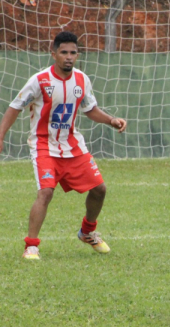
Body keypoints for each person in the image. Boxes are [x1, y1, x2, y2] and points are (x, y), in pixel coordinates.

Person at [0, 31, 127, 260]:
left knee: (100, 189)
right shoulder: (40, 80)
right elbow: (15, 107)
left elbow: (90, 109)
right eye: (64, 52)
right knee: (46, 192)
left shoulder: (82, 79)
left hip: (72, 145)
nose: (69, 57)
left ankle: (87, 232)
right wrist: (1, 135)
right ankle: (31, 246)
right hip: (44, 146)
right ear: (54, 54)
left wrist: (111, 120)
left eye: (73, 53)